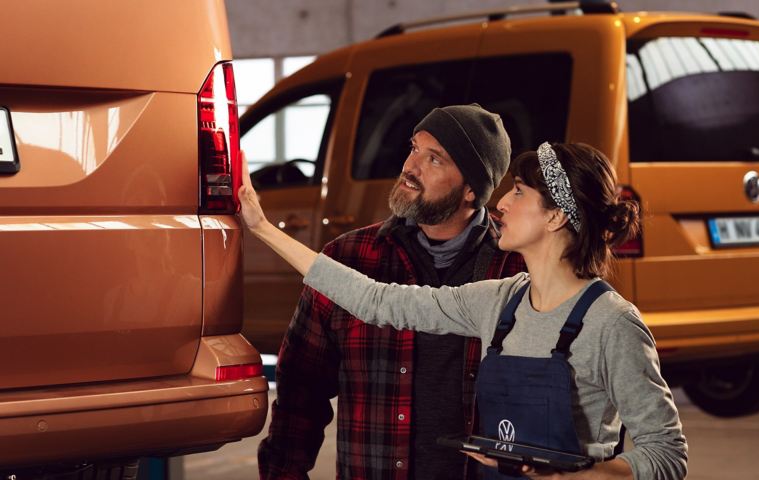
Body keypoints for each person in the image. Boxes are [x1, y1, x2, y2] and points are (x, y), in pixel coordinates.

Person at [241, 141, 688, 480]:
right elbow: (376, 301)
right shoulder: (498, 301)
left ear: (554, 218)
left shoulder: (612, 324)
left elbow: (666, 451)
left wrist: (581, 477)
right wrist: (261, 227)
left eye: (518, 192)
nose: (501, 204)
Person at [256, 104, 527, 480]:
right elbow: (300, 389)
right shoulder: (348, 258)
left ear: (471, 191)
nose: (410, 168)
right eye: (414, 148)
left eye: (434, 159)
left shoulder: (516, 267)